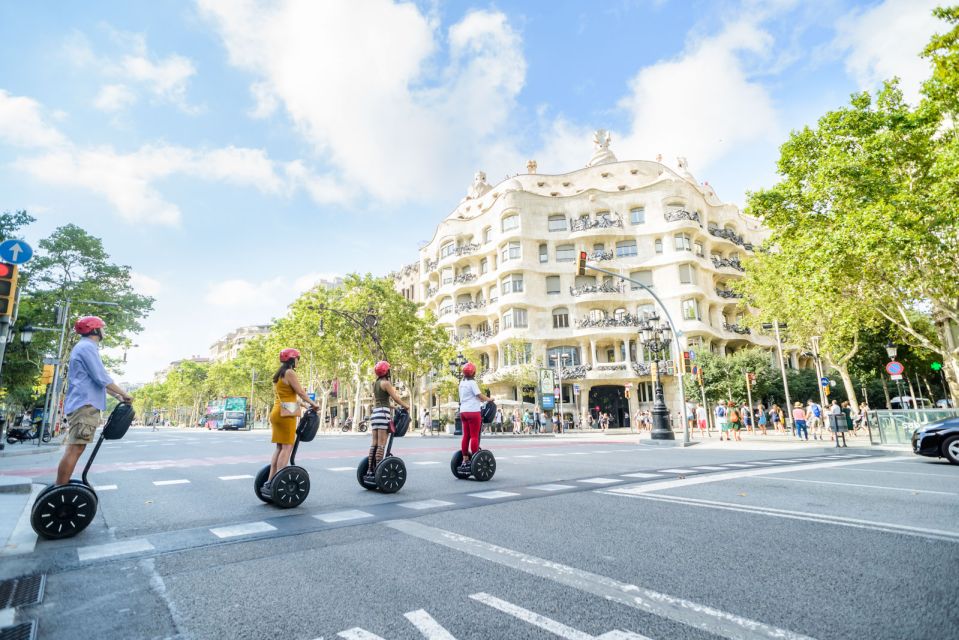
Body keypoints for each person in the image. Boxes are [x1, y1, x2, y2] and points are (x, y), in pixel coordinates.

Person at [55, 316, 133, 486]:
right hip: (84, 405)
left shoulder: (85, 347)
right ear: (95, 330)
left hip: (84, 403)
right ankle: (59, 490)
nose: (104, 331)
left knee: (76, 447)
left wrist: (117, 396)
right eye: (102, 328)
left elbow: (96, 380)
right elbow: (101, 376)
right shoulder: (87, 347)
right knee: (75, 448)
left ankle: (60, 488)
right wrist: (124, 393)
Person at [262, 349, 320, 496]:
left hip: (277, 411)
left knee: (279, 447)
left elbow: (288, 397)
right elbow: (300, 392)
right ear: (293, 359)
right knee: (287, 447)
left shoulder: (279, 374)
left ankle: (270, 481)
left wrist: (305, 405)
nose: (298, 361)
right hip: (285, 415)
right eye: (297, 359)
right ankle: (279, 480)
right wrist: (314, 404)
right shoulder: (290, 372)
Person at [363, 361, 410, 482]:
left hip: (375, 413)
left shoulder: (376, 383)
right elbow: (395, 397)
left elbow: (381, 401)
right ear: (386, 372)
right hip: (383, 414)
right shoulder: (386, 383)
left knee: (374, 443)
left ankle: (370, 469)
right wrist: (406, 406)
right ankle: (379, 469)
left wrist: (394, 407)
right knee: (382, 444)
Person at [457, 362, 492, 474]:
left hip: (463, 412)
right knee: (474, 436)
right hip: (473, 412)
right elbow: (479, 396)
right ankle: (475, 458)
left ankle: (465, 459)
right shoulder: (472, 382)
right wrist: (489, 399)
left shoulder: (461, 383)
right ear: (474, 373)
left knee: (466, 436)